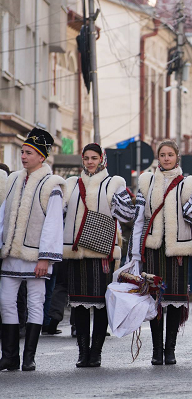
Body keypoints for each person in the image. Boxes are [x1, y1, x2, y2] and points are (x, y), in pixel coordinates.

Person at [129, 140, 192, 365]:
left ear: (177, 157)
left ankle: (170, 349)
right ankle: (156, 350)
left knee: (175, 301)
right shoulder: (146, 182)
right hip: (153, 249)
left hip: (178, 249)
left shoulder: (189, 183)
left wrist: (189, 203)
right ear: (158, 158)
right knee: (155, 301)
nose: (167, 158)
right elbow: (138, 219)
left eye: (170, 154)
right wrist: (134, 255)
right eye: (162, 155)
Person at [62, 143, 135, 367]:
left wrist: (121, 202)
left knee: (101, 304)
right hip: (76, 251)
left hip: (104, 251)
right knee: (80, 305)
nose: (90, 162)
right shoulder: (71, 183)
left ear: (102, 159)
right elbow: (60, 213)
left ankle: (96, 352)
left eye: (94, 157)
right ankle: (83, 353)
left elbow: (127, 215)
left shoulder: (115, 182)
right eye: (86, 158)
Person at [0, 128, 65, 371]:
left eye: (28, 153)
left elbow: (53, 223)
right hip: (10, 254)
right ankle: (10, 357)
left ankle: (29, 358)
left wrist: (45, 258)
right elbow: (4, 215)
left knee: (35, 303)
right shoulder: (15, 178)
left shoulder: (52, 184)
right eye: (22, 152)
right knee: (6, 301)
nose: (23, 156)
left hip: (36, 256)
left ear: (41, 156)